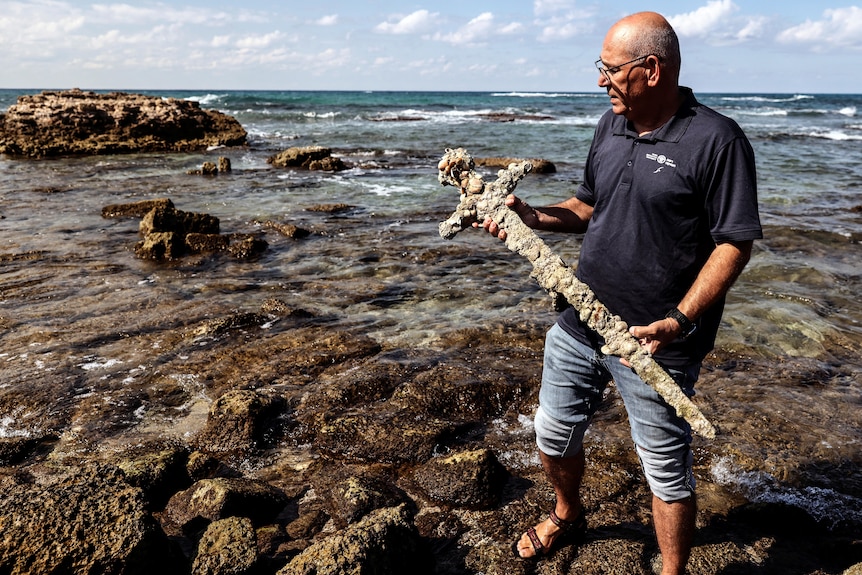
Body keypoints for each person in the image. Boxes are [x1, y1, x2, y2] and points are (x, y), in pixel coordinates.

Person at [479, 11, 763, 574]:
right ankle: (567, 513)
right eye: (600, 67)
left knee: (664, 466)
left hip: (656, 342)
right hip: (580, 321)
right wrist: (533, 216)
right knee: (553, 430)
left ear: (651, 69)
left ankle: (672, 568)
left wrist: (679, 320)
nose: (601, 80)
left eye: (610, 69)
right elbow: (588, 206)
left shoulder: (718, 140)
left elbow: (733, 243)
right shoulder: (611, 124)